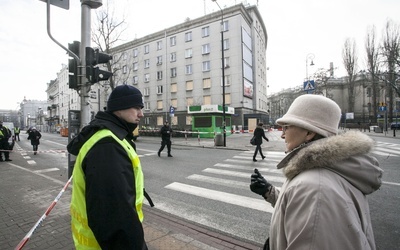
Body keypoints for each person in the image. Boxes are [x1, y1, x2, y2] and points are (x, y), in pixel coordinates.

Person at [249, 94, 383, 250]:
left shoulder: (314, 187)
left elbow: (314, 206)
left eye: (287, 127)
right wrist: (270, 192)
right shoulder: (325, 170)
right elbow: (303, 210)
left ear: (309, 133)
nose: (282, 134)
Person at [67, 85, 149, 249]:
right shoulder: (108, 145)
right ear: (119, 108)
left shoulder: (110, 137)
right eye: (136, 107)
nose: (141, 113)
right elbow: (116, 219)